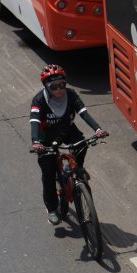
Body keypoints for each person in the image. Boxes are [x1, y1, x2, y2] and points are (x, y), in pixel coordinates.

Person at [29, 64, 108, 225]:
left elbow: (84, 113)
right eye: (54, 86)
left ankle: (76, 168)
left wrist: (98, 129)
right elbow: (35, 121)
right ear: (46, 86)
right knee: (49, 175)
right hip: (46, 137)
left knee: (82, 144)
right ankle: (51, 209)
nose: (59, 89)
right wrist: (36, 142)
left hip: (67, 129)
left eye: (62, 85)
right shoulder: (38, 100)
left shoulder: (71, 95)